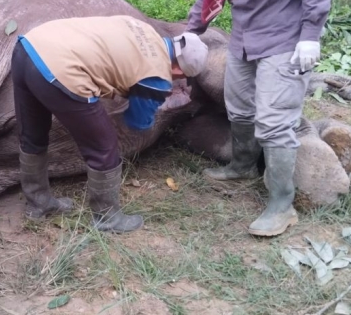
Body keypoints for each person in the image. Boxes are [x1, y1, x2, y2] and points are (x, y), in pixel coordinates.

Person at [185, 0, 333, 237]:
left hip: (284, 41)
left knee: (274, 119)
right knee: (239, 107)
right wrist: (190, 32)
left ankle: (282, 204)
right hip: (245, 39)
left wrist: (311, 35)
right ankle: (241, 166)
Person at [11, 15, 209, 234]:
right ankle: (107, 219)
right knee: (104, 148)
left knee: (33, 134)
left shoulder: (143, 28)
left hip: (28, 49)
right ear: (180, 72)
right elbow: (137, 122)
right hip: (61, 70)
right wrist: (151, 103)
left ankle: (38, 204)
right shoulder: (158, 76)